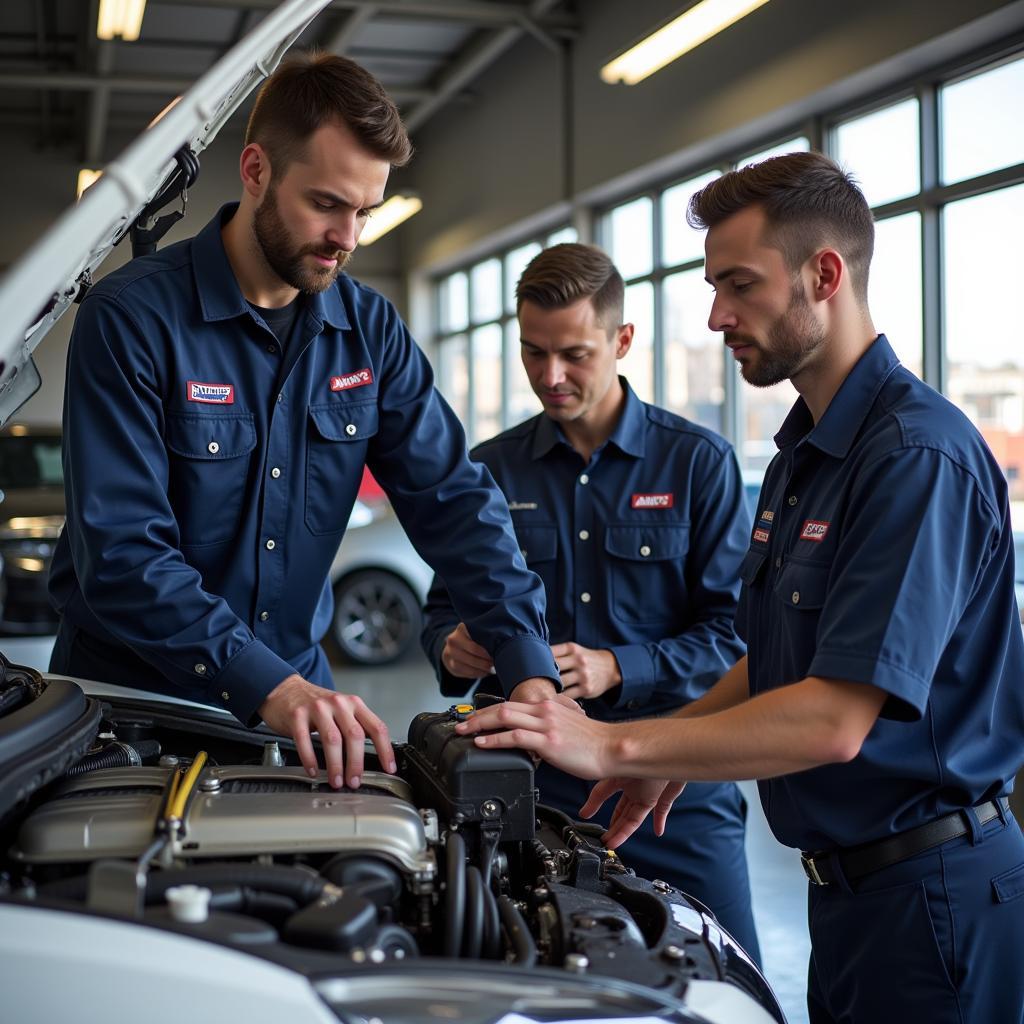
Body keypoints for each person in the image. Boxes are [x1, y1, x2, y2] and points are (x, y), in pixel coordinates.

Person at [455, 153, 1024, 1023]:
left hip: (932, 897)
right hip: (849, 897)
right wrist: (666, 754)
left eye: (739, 285)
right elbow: (774, 659)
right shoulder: (807, 453)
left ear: (823, 275)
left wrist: (614, 748)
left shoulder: (912, 458)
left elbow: (833, 720)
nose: (718, 315)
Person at [48, 52, 561, 791]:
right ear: (255, 170)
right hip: (137, 711)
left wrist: (529, 669)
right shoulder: (132, 319)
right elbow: (125, 556)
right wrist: (270, 687)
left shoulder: (369, 330)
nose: (347, 236)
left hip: (300, 711)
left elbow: (453, 497)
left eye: (365, 211)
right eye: (326, 203)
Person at [421, 243, 760, 962]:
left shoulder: (698, 464)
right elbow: (437, 614)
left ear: (622, 339)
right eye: (532, 352)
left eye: (573, 353)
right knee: (537, 980)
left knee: (723, 977)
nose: (551, 376)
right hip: (527, 788)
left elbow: (736, 635)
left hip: (676, 794)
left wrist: (618, 667)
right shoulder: (488, 469)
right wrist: (452, 647)